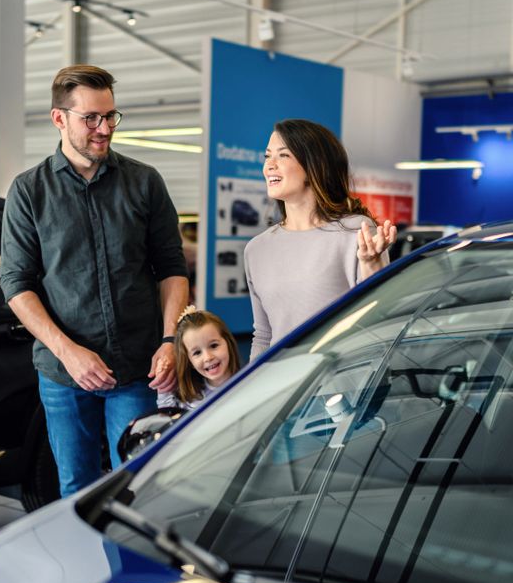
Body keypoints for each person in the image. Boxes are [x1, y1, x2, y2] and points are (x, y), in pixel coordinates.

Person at [0, 64, 189, 497]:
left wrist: (169, 340)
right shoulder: (29, 191)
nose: (104, 129)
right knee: (76, 488)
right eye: (90, 119)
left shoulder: (144, 182)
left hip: (137, 366)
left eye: (110, 116)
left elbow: (171, 268)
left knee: (139, 487)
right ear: (59, 118)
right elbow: (16, 283)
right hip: (65, 373)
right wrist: (69, 353)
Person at [244, 118, 397, 362]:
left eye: (283, 155)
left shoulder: (356, 230)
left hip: (343, 377)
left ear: (313, 165)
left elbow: (376, 317)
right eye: (267, 156)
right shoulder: (257, 249)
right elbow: (263, 335)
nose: (269, 165)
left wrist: (372, 265)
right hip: (284, 380)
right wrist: (251, 383)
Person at [157, 306, 241, 411]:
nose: (208, 357)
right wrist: (163, 387)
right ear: (189, 361)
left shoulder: (248, 383)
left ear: (228, 343)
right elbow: (167, 413)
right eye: (197, 353)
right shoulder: (191, 399)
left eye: (214, 346)